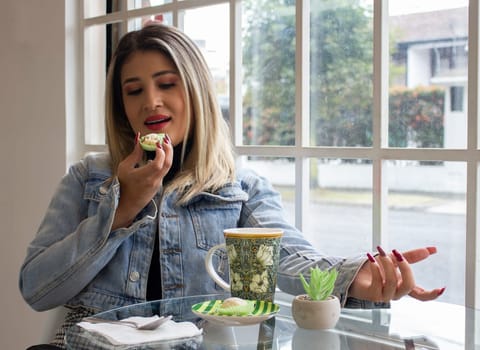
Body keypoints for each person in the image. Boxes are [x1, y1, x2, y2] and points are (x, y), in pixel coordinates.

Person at [19, 23, 444, 349]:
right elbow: (37, 290)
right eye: (134, 91)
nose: (151, 101)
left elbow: (292, 259)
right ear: (122, 107)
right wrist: (123, 207)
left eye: (167, 84)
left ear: (198, 91)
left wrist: (354, 278)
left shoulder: (241, 187)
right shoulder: (88, 178)